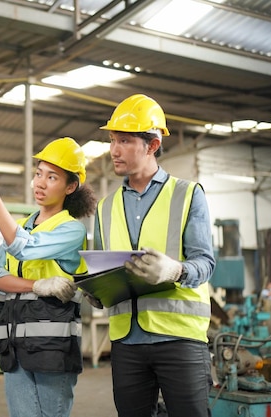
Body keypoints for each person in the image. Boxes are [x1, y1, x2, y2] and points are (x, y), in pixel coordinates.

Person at [92, 94, 216, 417]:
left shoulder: (188, 195)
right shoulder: (105, 208)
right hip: (127, 343)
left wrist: (175, 270)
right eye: (112, 140)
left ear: (152, 144)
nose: (114, 150)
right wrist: (93, 289)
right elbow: (100, 266)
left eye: (124, 140)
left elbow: (205, 263)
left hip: (180, 339)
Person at [0, 137, 97, 417]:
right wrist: (38, 285)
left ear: (71, 187)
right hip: (13, 343)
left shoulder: (71, 230)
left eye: (52, 177)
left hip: (52, 346)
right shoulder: (19, 226)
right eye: (38, 174)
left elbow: (24, 249)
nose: (40, 183)